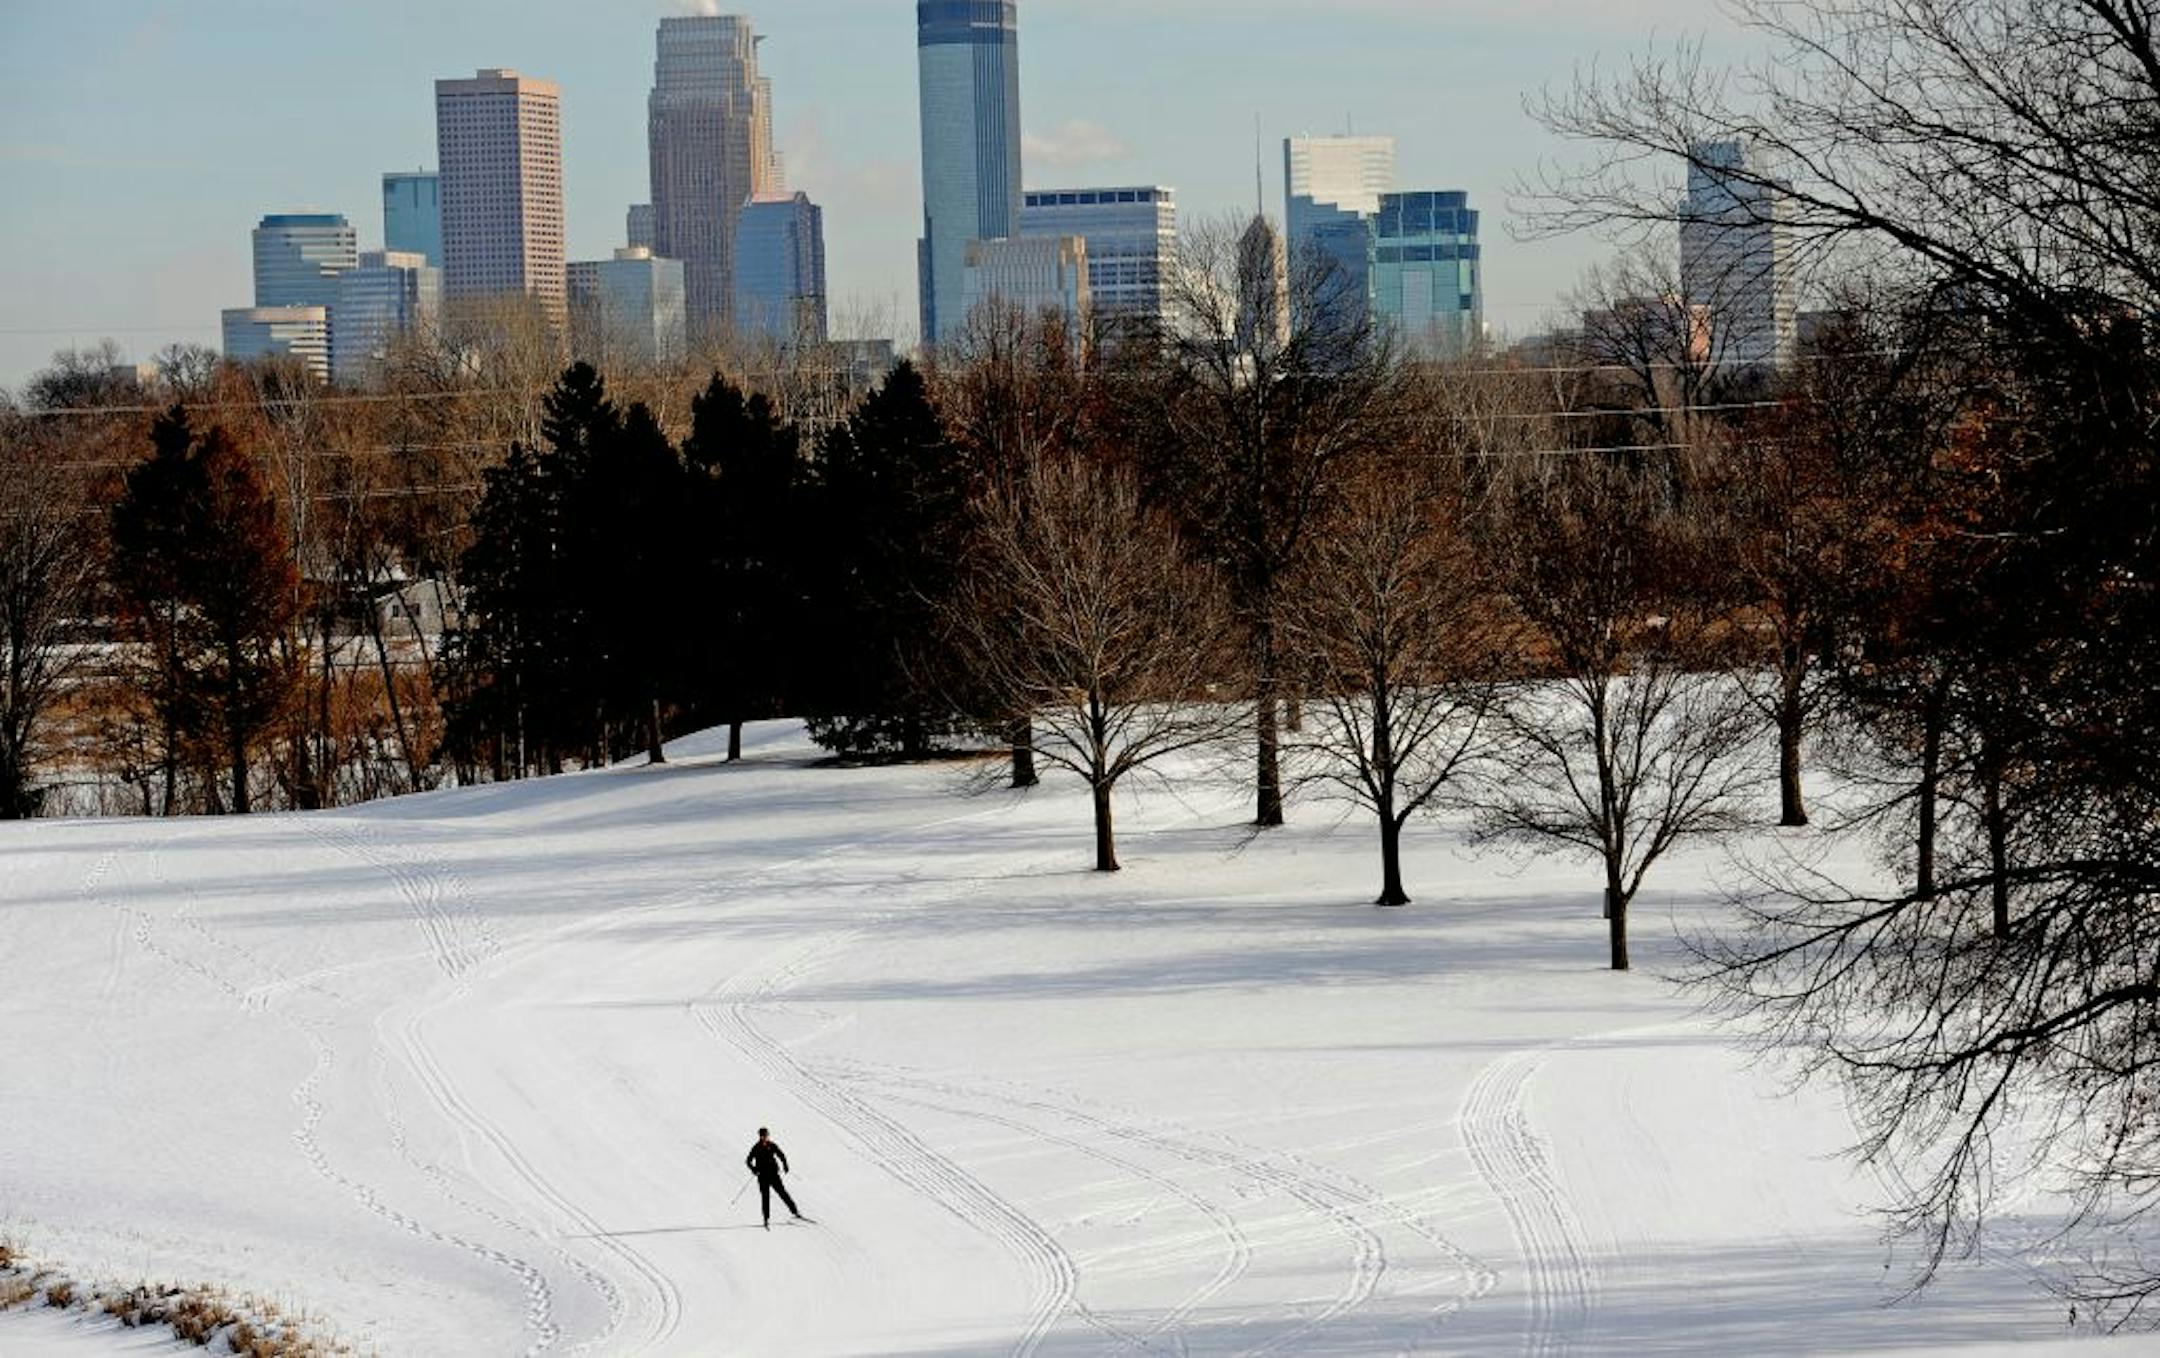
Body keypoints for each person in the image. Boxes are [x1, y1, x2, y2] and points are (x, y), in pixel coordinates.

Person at [745, 1127, 802, 1228]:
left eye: (766, 1135)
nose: (764, 1137)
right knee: (765, 1197)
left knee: (783, 1193)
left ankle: (795, 1211)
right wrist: (753, 1169)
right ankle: (766, 1219)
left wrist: (785, 1165)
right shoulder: (756, 1147)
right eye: (763, 1135)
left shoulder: (772, 1145)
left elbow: (781, 1155)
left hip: (773, 1174)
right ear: (760, 1136)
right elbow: (748, 1161)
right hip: (762, 1176)